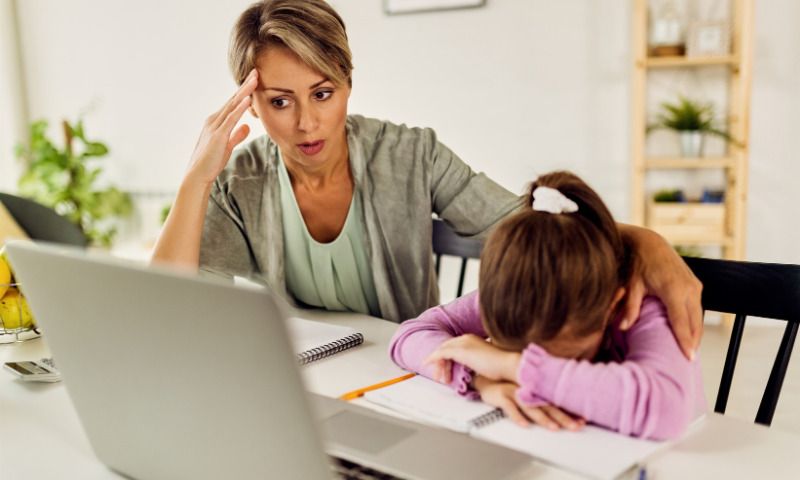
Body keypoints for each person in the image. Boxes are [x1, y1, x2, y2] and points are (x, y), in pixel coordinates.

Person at [151, 0, 703, 359]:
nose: (306, 122)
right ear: (250, 100)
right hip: (305, 385)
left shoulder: (412, 154)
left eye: (323, 93)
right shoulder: (241, 178)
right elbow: (168, 309)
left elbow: (528, 226)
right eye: (279, 101)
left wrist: (645, 240)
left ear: (348, 82)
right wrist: (196, 180)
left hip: (410, 368)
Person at [389, 171, 706, 440]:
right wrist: (478, 377)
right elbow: (408, 337)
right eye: (511, 350)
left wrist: (509, 366)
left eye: (560, 355)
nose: (527, 371)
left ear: (612, 304)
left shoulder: (643, 306)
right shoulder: (519, 287)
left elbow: (668, 410)